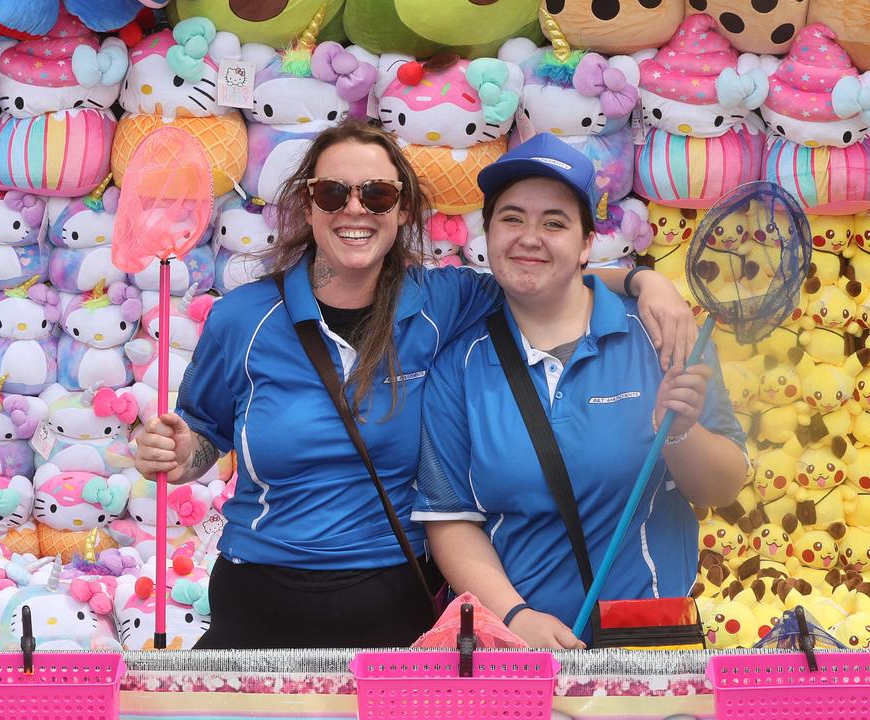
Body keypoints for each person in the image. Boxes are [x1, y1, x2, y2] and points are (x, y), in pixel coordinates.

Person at [134, 120, 696, 649]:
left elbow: (536, 270)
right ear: (308, 206)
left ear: (401, 210)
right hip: (259, 587)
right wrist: (182, 453)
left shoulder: (442, 301)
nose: (355, 209)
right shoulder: (243, 318)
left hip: (393, 593)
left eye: (376, 195)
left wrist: (645, 280)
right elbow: (205, 435)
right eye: (333, 193)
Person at [411, 133, 750, 650]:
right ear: (486, 233)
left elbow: (723, 488)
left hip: (649, 637)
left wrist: (681, 434)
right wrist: (514, 615)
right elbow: (451, 519)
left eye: (555, 222)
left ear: (588, 242)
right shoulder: (460, 364)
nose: (530, 237)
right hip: (517, 645)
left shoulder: (663, 335)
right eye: (511, 218)